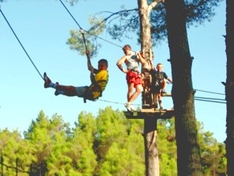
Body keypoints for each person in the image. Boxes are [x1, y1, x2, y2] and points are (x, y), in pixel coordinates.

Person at [44, 52, 109, 102]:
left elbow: (93, 80)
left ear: (106, 67)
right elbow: (90, 68)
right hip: (92, 93)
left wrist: (92, 72)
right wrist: (88, 57)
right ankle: (60, 91)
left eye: (102, 66)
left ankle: (50, 84)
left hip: (93, 93)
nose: (100, 67)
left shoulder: (104, 73)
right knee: (74, 92)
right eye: (99, 66)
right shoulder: (100, 72)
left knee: (72, 88)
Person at [116, 44, 146, 111]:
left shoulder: (136, 54)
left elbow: (143, 62)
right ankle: (129, 105)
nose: (124, 52)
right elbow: (118, 63)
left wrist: (139, 55)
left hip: (137, 74)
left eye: (125, 51)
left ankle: (129, 103)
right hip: (131, 73)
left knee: (140, 89)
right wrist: (123, 70)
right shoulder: (125, 57)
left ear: (129, 49)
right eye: (124, 51)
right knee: (131, 89)